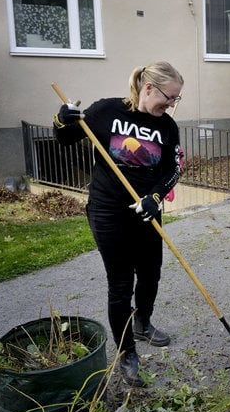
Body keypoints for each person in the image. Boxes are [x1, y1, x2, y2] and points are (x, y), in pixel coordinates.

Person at [53, 61, 184, 386]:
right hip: (108, 212)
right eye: (169, 97)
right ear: (148, 88)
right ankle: (126, 353)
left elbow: (174, 169)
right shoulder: (106, 112)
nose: (171, 105)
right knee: (121, 284)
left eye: (176, 100)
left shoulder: (167, 127)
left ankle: (143, 322)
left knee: (151, 274)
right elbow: (64, 137)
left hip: (146, 212)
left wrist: (155, 197)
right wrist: (61, 119)